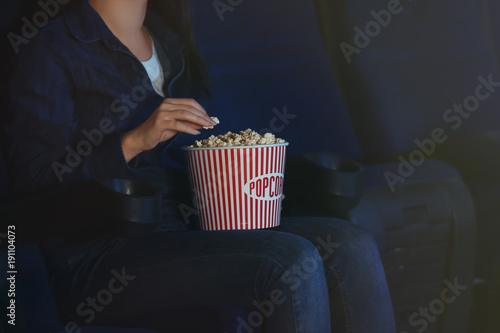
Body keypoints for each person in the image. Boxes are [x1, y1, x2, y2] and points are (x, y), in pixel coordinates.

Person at [4, 0, 396, 332]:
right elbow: (34, 187)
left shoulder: (167, 38)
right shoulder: (49, 49)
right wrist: (134, 141)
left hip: (187, 226)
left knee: (352, 244)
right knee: (289, 261)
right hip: (98, 254)